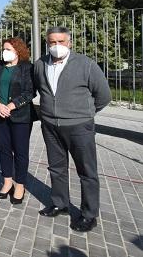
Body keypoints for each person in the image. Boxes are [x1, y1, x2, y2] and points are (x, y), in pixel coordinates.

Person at [34, 26, 111, 233]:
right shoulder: (40, 64)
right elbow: (39, 89)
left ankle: (89, 214)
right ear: (47, 43)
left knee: (87, 171)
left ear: (69, 43)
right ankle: (60, 203)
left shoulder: (86, 65)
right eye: (52, 42)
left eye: (61, 42)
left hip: (79, 127)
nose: (56, 46)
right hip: (50, 125)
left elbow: (104, 96)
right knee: (56, 168)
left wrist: (84, 114)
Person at [0, 37, 35, 204]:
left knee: (20, 152)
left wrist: (11, 106)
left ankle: (20, 184)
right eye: (3, 49)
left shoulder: (27, 68)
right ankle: (7, 182)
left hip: (20, 116)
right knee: (4, 149)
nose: (4, 52)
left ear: (18, 51)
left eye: (8, 49)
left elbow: (30, 92)